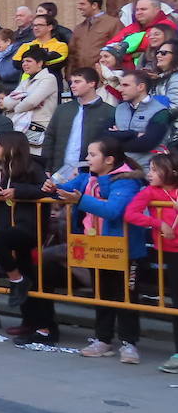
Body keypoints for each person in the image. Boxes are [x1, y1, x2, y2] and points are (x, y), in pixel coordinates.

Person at [45, 137, 144, 361]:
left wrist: (80, 200)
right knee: (102, 294)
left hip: (124, 249)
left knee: (125, 296)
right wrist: (53, 187)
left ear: (109, 159)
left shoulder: (127, 181)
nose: (87, 159)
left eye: (92, 155)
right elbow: (64, 189)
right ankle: (102, 339)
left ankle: (129, 343)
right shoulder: (87, 178)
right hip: (96, 245)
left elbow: (113, 211)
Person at [0, 131, 49, 328]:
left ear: (11, 147)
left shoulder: (32, 167)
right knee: (28, 272)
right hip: (7, 223)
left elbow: (44, 189)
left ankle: (16, 278)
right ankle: (29, 322)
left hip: (28, 226)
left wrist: (18, 191)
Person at [123, 153, 178, 372]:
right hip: (171, 252)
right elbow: (131, 213)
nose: (150, 174)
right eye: (150, 169)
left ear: (172, 172)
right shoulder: (149, 192)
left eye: (155, 170)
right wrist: (156, 223)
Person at [39, 68, 111, 178]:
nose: (72, 85)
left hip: (90, 175)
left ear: (92, 83)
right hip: (58, 172)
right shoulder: (62, 109)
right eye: (71, 82)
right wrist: (47, 167)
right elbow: (50, 138)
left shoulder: (109, 112)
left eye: (77, 82)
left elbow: (109, 146)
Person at [0, 46, 58, 158]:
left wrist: (16, 108)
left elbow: (31, 102)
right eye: (23, 62)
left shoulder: (49, 78)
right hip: (21, 129)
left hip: (38, 129)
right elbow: (7, 102)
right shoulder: (26, 81)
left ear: (40, 63)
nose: (24, 64)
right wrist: (23, 100)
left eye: (29, 61)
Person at [108, 69, 169, 170]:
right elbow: (104, 135)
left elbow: (147, 143)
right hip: (118, 169)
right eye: (121, 85)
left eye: (126, 85)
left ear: (140, 87)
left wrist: (117, 139)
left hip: (147, 172)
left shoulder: (161, 112)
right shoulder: (119, 108)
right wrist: (135, 134)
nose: (120, 89)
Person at [70, 0, 122, 76]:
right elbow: (72, 55)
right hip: (82, 79)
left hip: (104, 77)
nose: (79, 7)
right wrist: (70, 76)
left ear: (94, 5)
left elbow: (119, 51)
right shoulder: (79, 28)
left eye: (83, 4)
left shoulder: (113, 23)